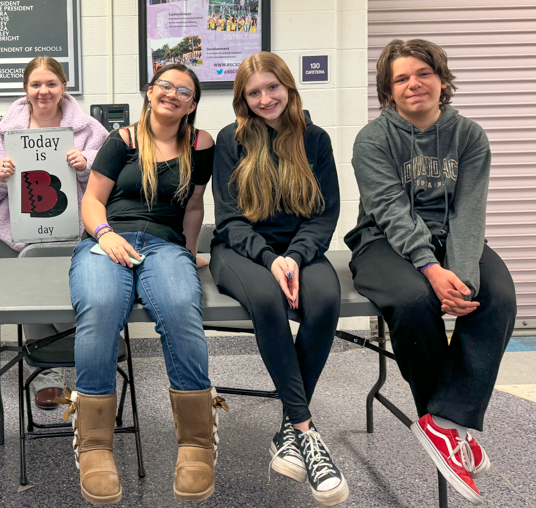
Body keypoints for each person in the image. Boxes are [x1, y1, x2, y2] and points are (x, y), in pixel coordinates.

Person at [345, 39, 516, 506]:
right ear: (388, 90)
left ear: (442, 79)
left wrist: (459, 274)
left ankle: (445, 422)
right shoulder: (374, 139)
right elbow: (390, 210)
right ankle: (441, 420)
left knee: (494, 296)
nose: (414, 84)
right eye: (401, 78)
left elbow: (469, 211)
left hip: (452, 237)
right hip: (382, 240)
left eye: (423, 73)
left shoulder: (470, 136)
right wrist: (432, 270)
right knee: (414, 299)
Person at [63, 64, 224, 505]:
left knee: (178, 307)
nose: (173, 94)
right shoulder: (124, 140)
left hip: (165, 245)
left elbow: (193, 205)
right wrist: (105, 235)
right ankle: (95, 446)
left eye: (184, 91)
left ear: (192, 103)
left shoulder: (200, 144)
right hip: (108, 239)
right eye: (165, 86)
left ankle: (196, 444)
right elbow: (92, 200)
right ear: (150, 92)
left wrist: (189, 253)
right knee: (98, 307)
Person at [210, 52, 347, 506]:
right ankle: (307, 431)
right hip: (241, 251)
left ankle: (288, 430)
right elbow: (230, 220)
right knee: (268, 301)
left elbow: (324, 214)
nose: (265, 98)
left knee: (326, 299)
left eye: (273, 87)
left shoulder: (316, 139)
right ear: (242, 99)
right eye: (254, 92)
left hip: (300, 249)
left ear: (288, 87)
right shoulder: (232, 140)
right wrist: (272, 259)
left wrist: (296, 256)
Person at [0, 56, 109, 409]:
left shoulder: (91, 129)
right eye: (35, 84)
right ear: (25, 89)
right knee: (33, 301)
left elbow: (114, 179)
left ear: (63, 86)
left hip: (75, 234)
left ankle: (80, 368)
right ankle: (50, 375)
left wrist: (86, 165)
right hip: (16, 236)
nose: (43, 91)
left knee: (68, 299)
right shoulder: (5, 131)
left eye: (51, 83)